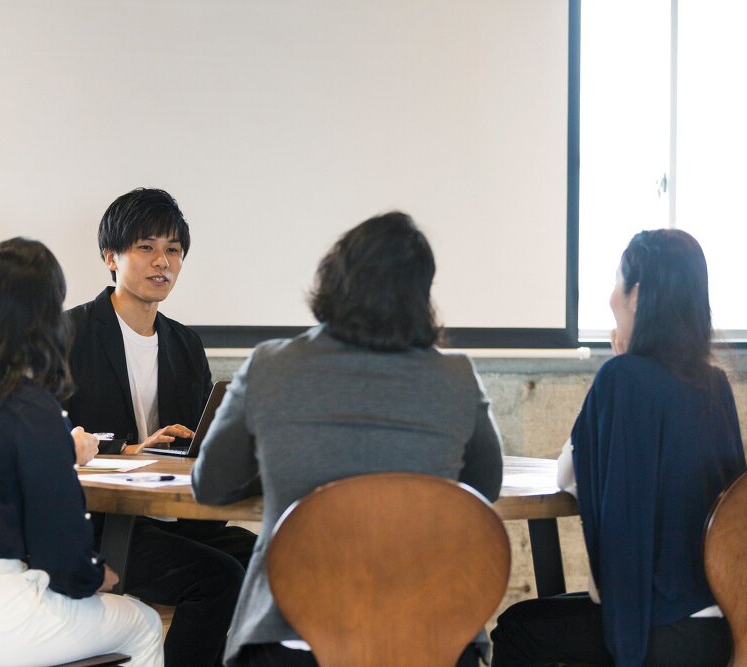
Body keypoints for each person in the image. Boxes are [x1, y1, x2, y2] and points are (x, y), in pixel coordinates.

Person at [191, 211, 504, 667]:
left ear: (334, 278)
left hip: (291, 641)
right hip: (433, 638)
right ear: (420, 295)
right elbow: (483, 490)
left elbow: (212, 484)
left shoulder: (271, 366)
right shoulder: (455, 377)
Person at [490, 229, 745, 666]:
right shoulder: (716, 384)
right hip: (726, 628)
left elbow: (567, 475)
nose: (610, 297)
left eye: (616, 283)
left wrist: (620, 364)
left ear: (637, 296)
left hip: (657, 632)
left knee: (517, 630)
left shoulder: (622, 379)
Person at [0, 238, 163, 667]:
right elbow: (61, 552)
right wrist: (95, 574)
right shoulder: (29, 406)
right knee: (144, 624)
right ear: (47, 317)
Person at [65, 187, 256, 666]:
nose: (162, 262)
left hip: (171, 517)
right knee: (219, 579)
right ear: (111, 257)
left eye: (173, 250)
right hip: (99, 526)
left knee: (271, 557)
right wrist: (127, 448)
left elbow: (197, 439)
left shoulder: (185, 344)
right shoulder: (67, 334)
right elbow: (51, 430)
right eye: (146, 247)